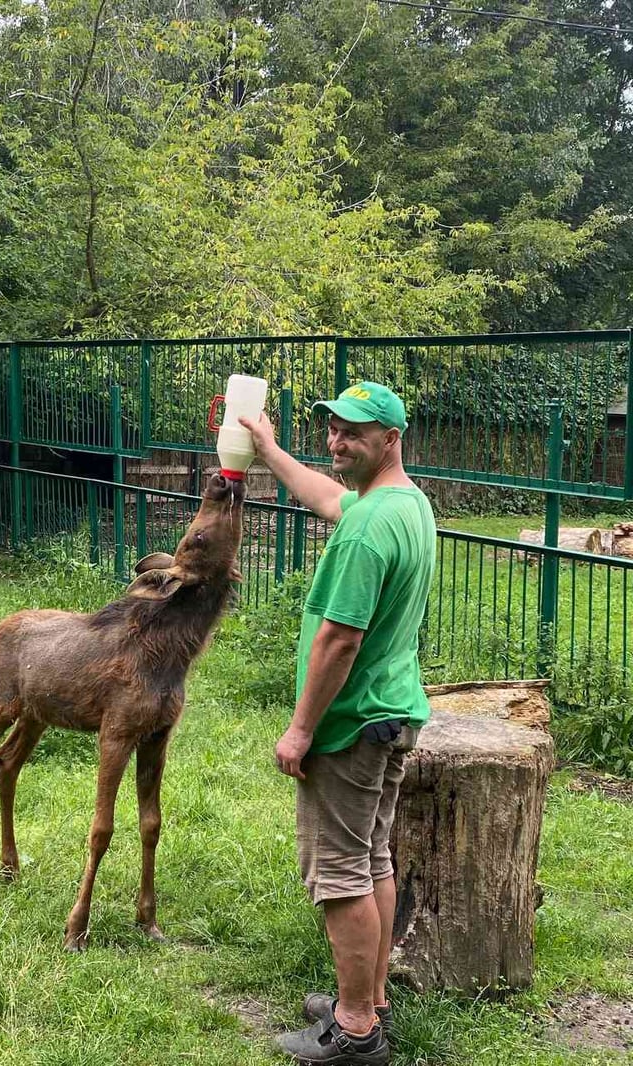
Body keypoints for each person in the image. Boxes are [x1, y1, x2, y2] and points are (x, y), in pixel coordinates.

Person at [239, 381, 436, 1066]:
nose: (337, 442)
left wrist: (300, 730)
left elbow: (339, 640)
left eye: (354, 431)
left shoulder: (369, 528)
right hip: (393, 712)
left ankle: (354, 1030)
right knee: (372, 857)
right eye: (332, 429)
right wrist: (268, 450)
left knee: (341, 875)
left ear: (391, 437)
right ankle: (370, 997)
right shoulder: (404, 505)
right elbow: (326, 496)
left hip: (350, 725)